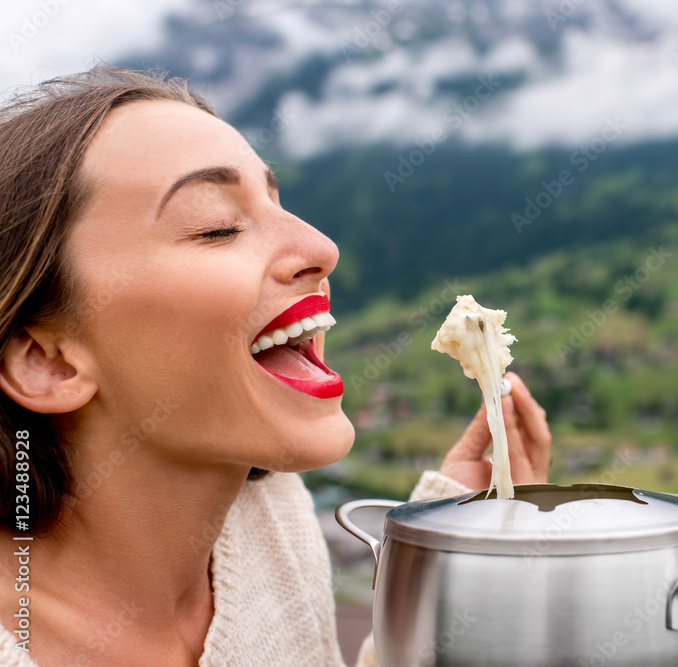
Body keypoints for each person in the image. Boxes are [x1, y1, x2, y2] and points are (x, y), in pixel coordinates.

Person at [0, 67, 551, 666]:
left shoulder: (270, 522)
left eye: (278, 203)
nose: (322, 248)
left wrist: (449, 550)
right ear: (47, 362)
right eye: (218, 227)